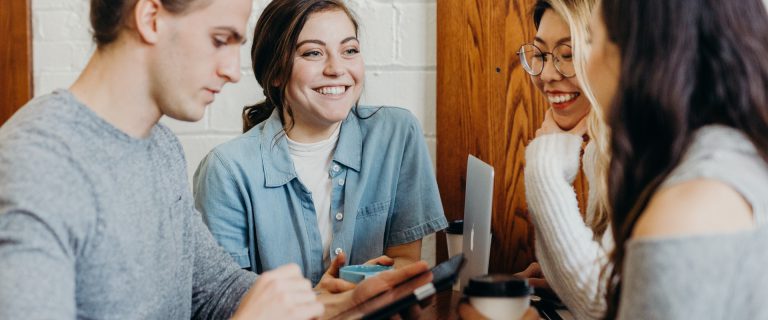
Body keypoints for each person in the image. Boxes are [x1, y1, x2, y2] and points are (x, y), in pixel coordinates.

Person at [0, 0, 428, 318]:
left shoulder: (159, 147)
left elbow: (215, 290)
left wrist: (321, 305)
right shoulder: (37, 166)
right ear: (150, 18)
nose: (232, 71)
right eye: (219, 40)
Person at [193, 0, 448, 285]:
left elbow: (404, 260)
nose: (336, 68)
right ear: (275, 72)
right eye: (313, 53)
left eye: (349, 50)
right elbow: (224, 297)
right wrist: (328, 301)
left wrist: (363, 290)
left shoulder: (397, 134)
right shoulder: (226, 171)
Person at [586, 0, 768, 318]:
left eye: (590, 39)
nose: (584, 65)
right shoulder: (744, 159)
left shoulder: (685, 213)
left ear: (632, 55)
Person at [517, 0, 615, 319]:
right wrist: (561, 281)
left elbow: (603, 305)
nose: (546, 74)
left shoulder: (644, 148)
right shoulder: (603, 150)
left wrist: (545, 167)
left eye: (568, 54)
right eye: (541, 54)